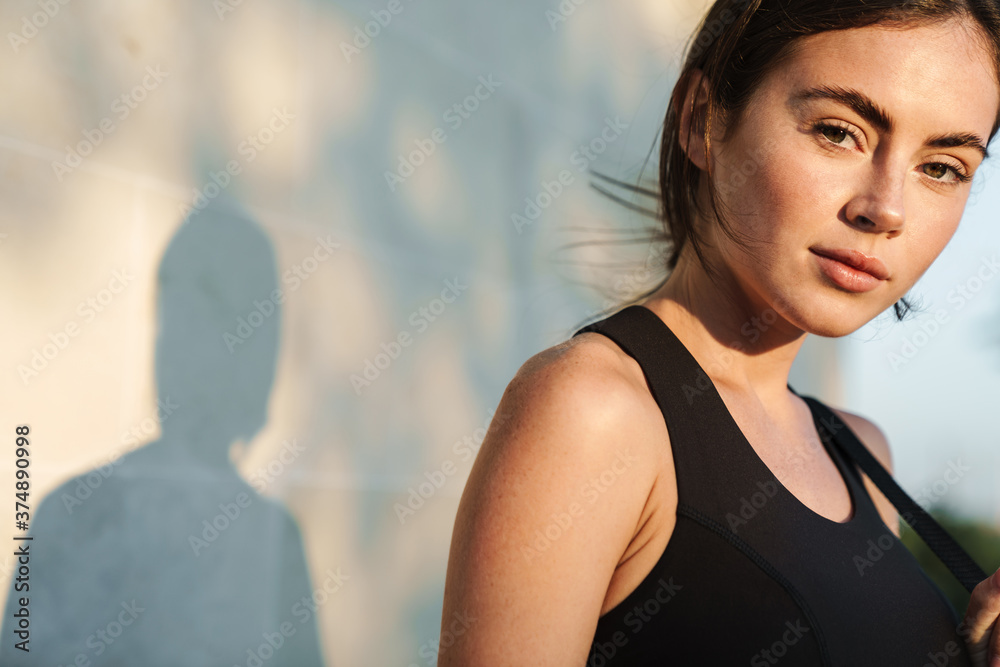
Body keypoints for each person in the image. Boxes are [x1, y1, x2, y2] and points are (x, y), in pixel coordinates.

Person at [439, 0, 1000, 664]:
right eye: (838, 131)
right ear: (702, 117)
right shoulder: (592, 409)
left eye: (942, 167)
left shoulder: (861, 455)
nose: (886, 208)